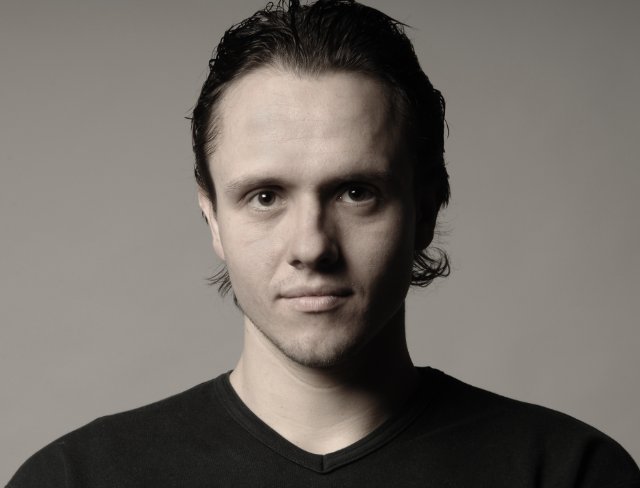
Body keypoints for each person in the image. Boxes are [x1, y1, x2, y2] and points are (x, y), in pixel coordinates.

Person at [7, 0, 639, 486]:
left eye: (356, 192)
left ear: (425, 209)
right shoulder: (75, 479)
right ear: (212, 218)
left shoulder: (568, 473)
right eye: (265, 197)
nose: (311, 247)